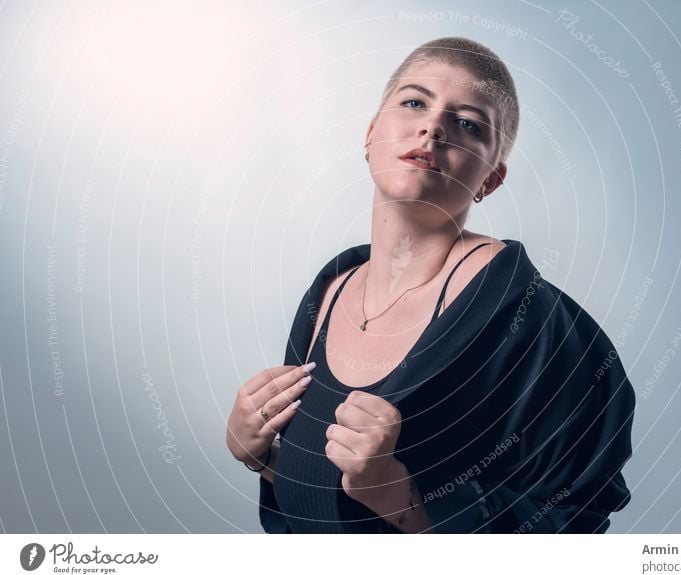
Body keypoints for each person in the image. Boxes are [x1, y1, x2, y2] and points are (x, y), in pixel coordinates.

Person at [226, 36, 635, 533]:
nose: (433, 126)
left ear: (491, 178)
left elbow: (575, 516)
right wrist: (259, 456)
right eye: (414, 101)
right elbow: (322, 506)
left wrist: (400, 493)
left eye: (468, 124)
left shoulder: (533, 317)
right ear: (372, 133)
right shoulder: (328, 292)